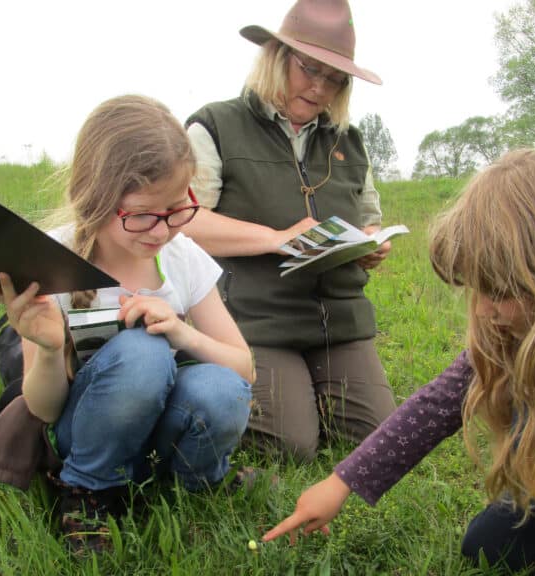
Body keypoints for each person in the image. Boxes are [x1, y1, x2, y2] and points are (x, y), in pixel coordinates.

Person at [263, 149, 535, 575]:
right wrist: (341, 484)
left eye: (502, 290)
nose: (487, 311)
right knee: (490, 548)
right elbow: (439, 402)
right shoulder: (522, 317)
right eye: (478, 287)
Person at [0, 94, 255, 552]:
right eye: (143, 215)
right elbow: (45, 409)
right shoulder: (51, 260)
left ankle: (193, 486)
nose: (161, 229)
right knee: (141, 353)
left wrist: (180, 330)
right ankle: (88, 492)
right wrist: (51, 349)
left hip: (157, 434)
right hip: (83, 432)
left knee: (222, 388)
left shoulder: (182, 255)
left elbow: (243, 368)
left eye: (176, 209)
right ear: (96, 196)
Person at [183, 0, 397, 462]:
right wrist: (273, 238)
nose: (320, 87)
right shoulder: (216, 126)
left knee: (377, 440)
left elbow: (367, 217)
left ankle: (310, 395)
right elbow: (186, 223)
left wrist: (370, 244)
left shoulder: (349, 141)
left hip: (338, 320)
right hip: (256, 319)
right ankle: (273, 396)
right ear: (276, 57)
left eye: (335, 78)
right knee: (291, 446)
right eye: (309, 69)